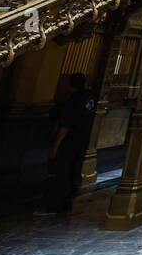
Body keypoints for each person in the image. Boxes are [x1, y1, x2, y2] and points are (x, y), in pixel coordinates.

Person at [37, 73, 97, 215]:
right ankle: (66, 201)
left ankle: (56, 205)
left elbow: (66, 124)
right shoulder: (91, 97)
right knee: (71, 172)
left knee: (61, 173)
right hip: (82, 141)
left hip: (69, 142)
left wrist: (56, 146)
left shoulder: (74, 100)